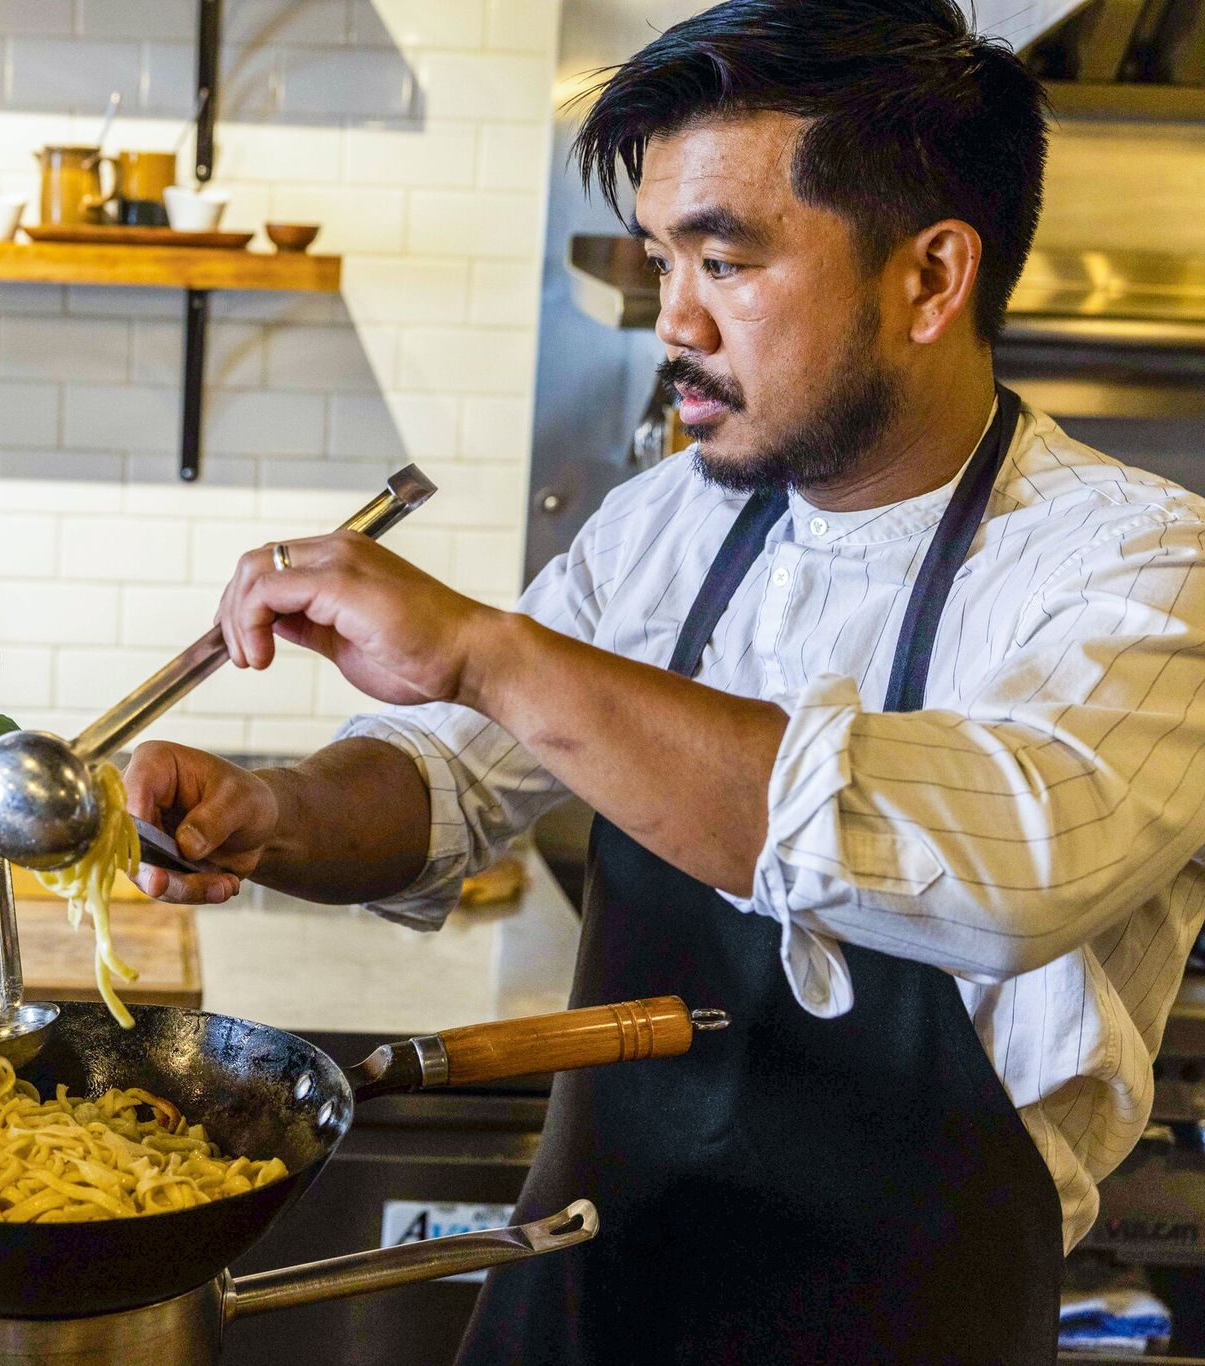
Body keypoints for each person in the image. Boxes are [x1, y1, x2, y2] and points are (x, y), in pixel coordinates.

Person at [125, 2, 1205, 1361]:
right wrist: (270, 812)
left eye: (726, 260)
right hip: (587, 1296)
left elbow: (1006, 862)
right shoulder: (669, 524)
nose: (669, 319)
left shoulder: (1140, 565)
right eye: (658, 258)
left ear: (931, 278)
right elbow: (445, 776)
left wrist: (486, 648)